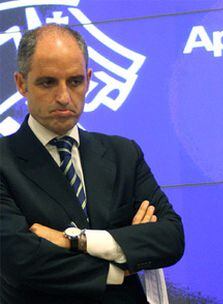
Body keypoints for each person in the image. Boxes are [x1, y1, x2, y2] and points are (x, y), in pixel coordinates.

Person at [0, 24, 184, 303]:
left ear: (88, 79)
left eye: (74, 81)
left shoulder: (124, 153)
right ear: (21, 83)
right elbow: (23, 260)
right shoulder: (4, 161)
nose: (63, 97)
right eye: (48, 82)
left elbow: (170, 237)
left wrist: (76, 240)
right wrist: (121, 265)